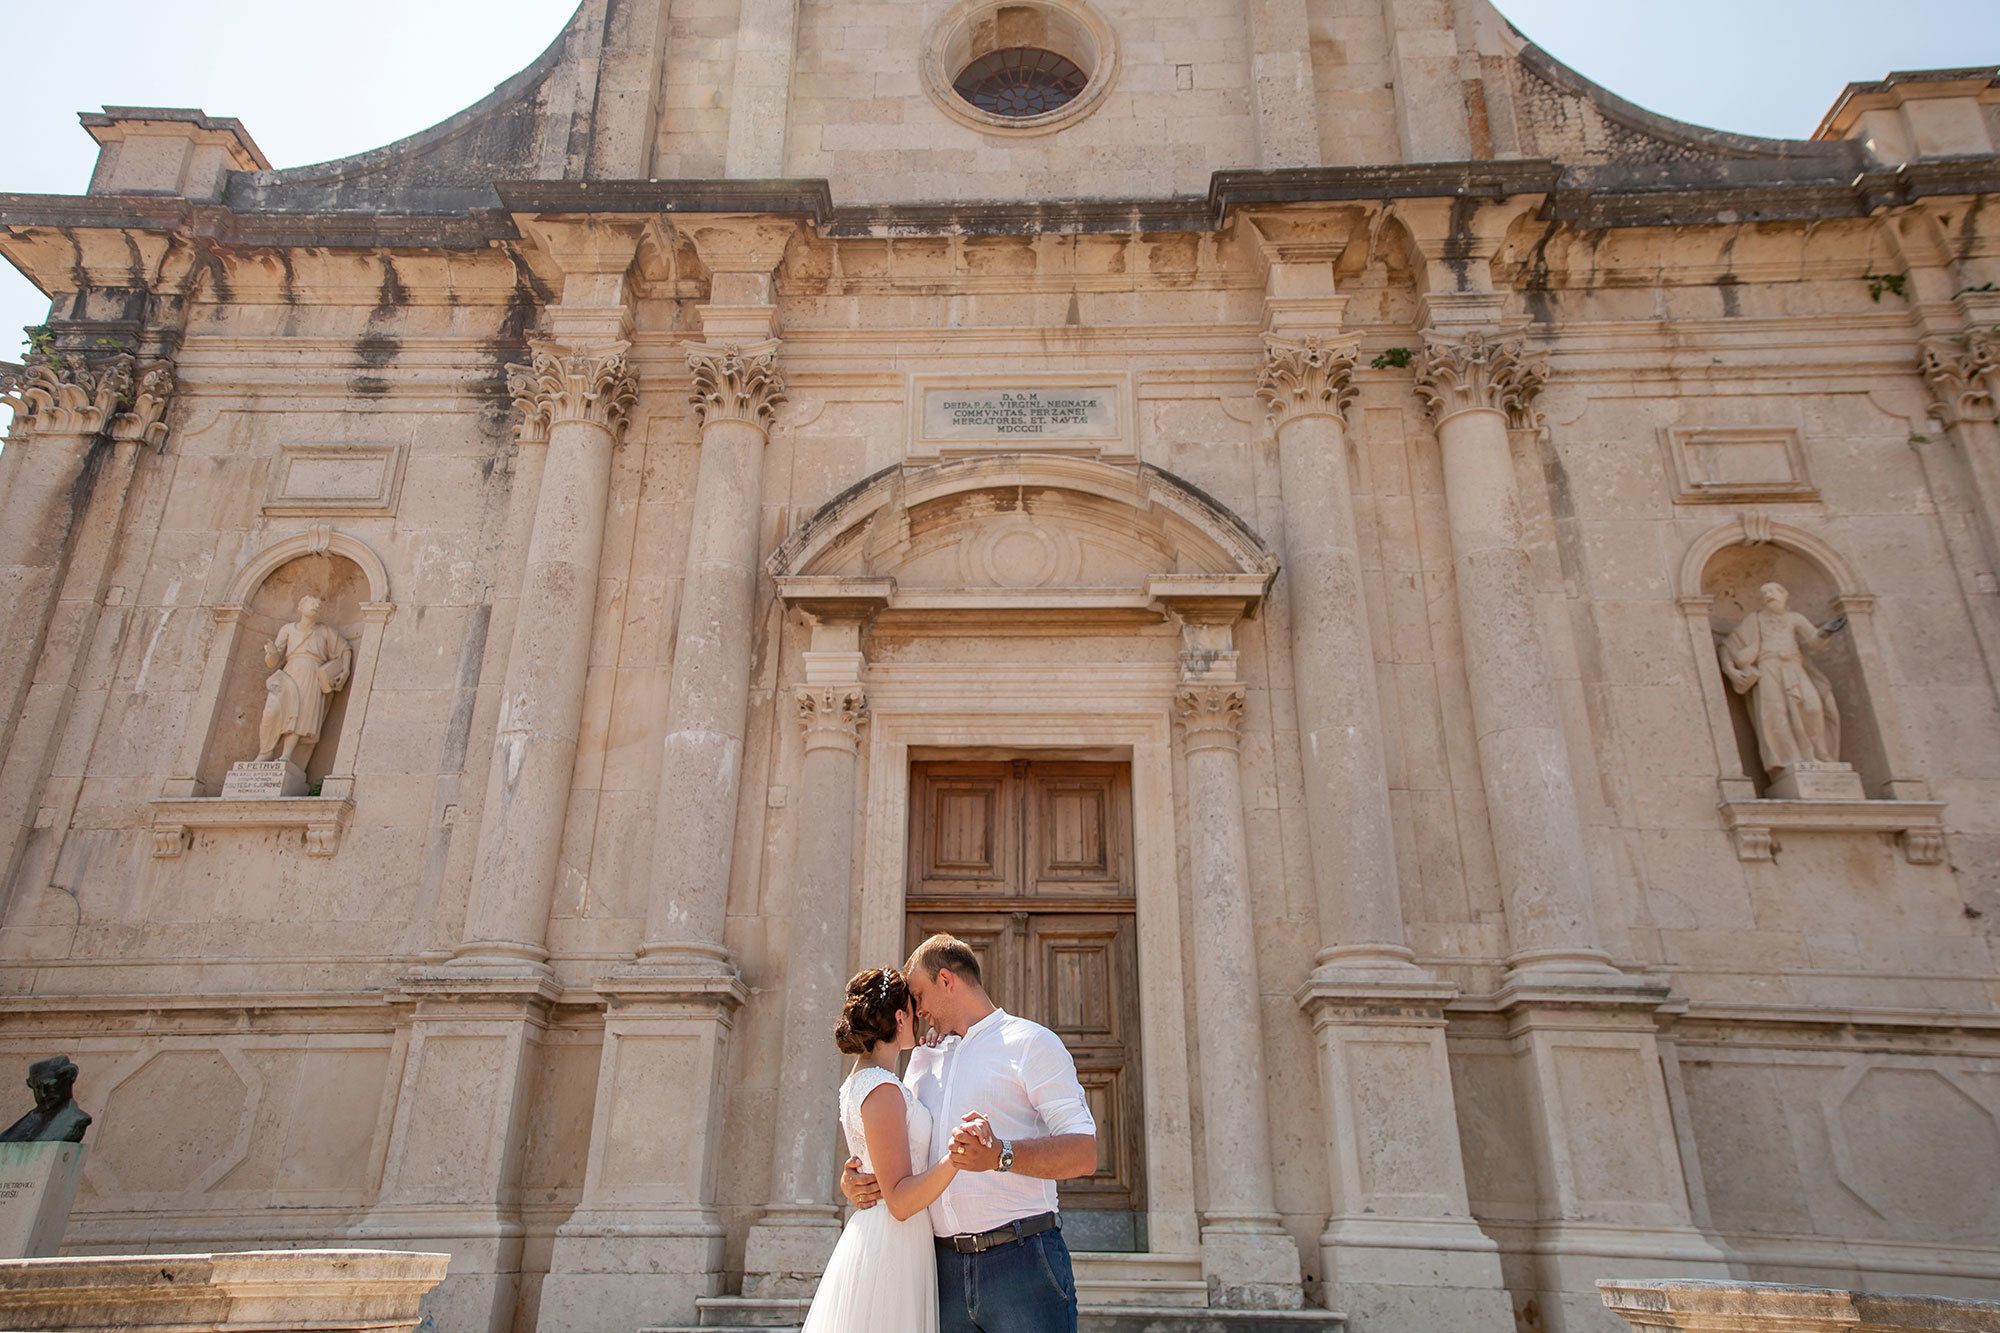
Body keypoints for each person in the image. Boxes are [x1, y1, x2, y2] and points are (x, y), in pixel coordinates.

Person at [841, 934, 1099, 1333]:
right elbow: (904, 1148)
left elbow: (1084, 1153)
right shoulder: (921, 1058)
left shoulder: (1031, 1044)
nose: (915, 1010)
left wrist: (1001, 1155)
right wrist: (861, 1175)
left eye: (918, 995)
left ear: (947, 980)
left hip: (1022, 1262)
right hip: (938, 1271)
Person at [800, 967, 960, 1333]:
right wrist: (956, 1159)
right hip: (893, 1242)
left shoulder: (868, 1081)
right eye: (912, 1007)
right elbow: (901, 1200)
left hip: (889, 1235)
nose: (920, 1015)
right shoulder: (882, 1089)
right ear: (899, 1017)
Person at [1718, 581, 1846, 776]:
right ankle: (1790, 759)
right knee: (1776, 713)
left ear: (1784, 595)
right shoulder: (1755, 620)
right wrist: (1730, 670)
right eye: (1765, 593)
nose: (1770, 595)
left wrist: (1825, 631)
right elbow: (1727, 646)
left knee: (1812, 707)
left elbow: (1813, 641)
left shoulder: (1794, 618)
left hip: (1794, 666)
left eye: (1774, 590)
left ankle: (1820, 753)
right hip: (1768, 667)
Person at [256, 595, 351, 767]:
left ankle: (287, 756)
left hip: (312, 674)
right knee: (271, 710)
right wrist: (271, 652)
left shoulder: (324, 631)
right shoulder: (288, 629)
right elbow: (272, 662)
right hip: (289, 672)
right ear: (301, 607)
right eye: (312, 603)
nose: (316, 606)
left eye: (318, 604)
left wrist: (346, 671)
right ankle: (265, 751)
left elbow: (345, 649)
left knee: (301, 716)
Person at [0, 1055, 91, 1143]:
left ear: (67, 1079)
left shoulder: (76, 1119)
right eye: (37, 1088)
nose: (43, 1094)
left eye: (50, 1085)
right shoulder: (26, 1120)